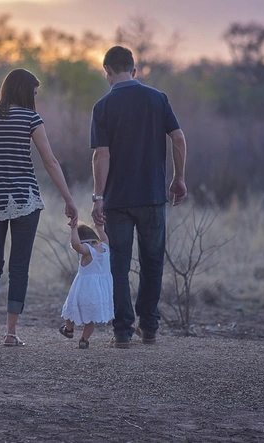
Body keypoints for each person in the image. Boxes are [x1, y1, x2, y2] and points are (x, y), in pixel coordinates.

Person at [0, 68, 78, 347]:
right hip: (25, 199)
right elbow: (50, 162)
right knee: (19, 267)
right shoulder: (31, 118)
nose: (34, 98)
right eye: (34, 93)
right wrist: (68, 199)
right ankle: (10, 333)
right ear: (25, 92)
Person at [90, 46, 188, 349]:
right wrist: (178, 178)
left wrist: (98, 196)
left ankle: (122, 332)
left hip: (117, 200)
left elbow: (101, 155)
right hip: (153, 197)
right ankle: (149, 328)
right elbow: (178, 138)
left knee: (118, 266)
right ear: (134, 70)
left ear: (107, 70)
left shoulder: (103, 106)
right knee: (152, 262)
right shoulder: (158, 99)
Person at [59, 222, 113, 349]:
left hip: (84, 289)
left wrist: (73, 229)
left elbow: (76, 245)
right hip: (99, 292)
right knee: (91, 317)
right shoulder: (105, 247)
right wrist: (99, 228)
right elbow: (105, 238)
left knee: (71, 308)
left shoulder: (88, 251)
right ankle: (84, 340)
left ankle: (69, 329)